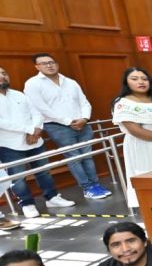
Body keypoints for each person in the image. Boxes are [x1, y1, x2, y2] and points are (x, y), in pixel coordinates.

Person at [23, 53, 111, 200]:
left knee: (87, 156)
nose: (49, 65)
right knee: (74, 157)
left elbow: (84, 102)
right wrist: (68, 121)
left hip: (82, 124)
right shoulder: (32, 84)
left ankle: (95, 184)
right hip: (58, 126)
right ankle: (87, 188)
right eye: (44, 63)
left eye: (52, 62)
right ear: (37, 67)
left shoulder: (70, 82)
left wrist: (84, 118)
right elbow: (41, 108)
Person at [0, 67, 76, 218]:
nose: (2, 76)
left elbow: (36, 113)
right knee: (18, 178)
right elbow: (3, 123)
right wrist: (30, 130)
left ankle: (52, 198)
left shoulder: (18, 94)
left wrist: (36, 129)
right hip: (10, 145)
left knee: (44, 172)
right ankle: (27, 204)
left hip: (35, 141)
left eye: (4, 73)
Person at [111, 67, 152, 208]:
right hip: (143, 148)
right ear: (126, 82)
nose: (141, 82)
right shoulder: (123, 103)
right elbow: (135, 130)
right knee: (149, 181)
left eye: (144, 79)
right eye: (134, 79)